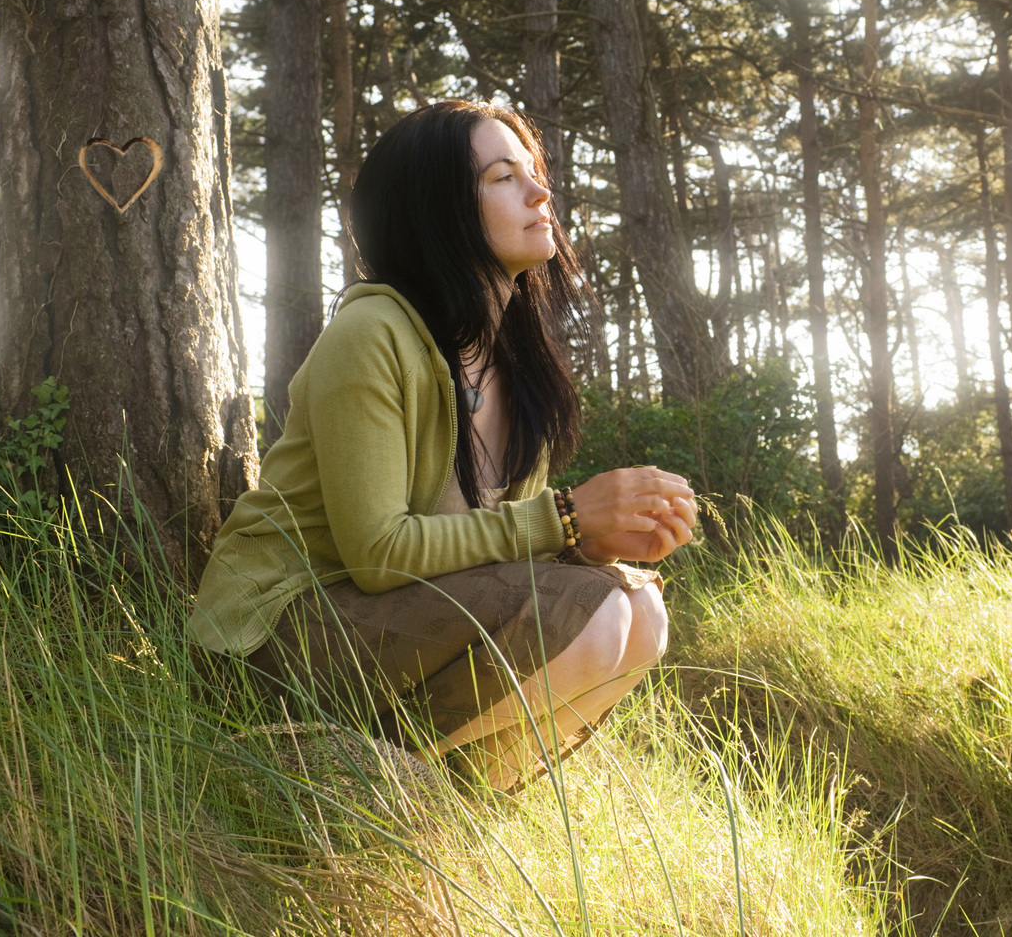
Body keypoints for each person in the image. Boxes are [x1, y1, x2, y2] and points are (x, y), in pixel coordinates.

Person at [188, 100, 697, 791]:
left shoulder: (518, 366)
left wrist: (593, 545)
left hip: (401, 622)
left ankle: (451, 796)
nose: (540, 191)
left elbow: (492, 548)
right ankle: (365, 779)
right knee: (599, 614)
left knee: (641, 613)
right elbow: (378, 553)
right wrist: (568, 516)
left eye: (533, 171)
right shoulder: (371, 337)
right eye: (501, 177)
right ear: (436, 209)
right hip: (279, 628)